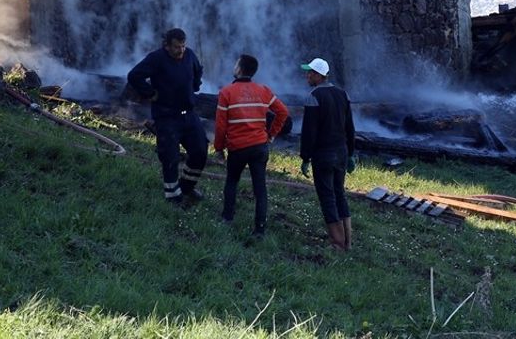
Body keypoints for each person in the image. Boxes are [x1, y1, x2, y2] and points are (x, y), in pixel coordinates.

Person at [128, 28, 208, 204]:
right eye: (177, 47)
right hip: (167, 116)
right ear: (167, 46)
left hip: (189, 114)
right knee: (170, 157)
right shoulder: (156, 59)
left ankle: (186, 188)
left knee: (200, 151)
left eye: (183, 46)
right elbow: (134, 76)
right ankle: (173, 198)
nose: (181, 51)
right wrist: (149, 93)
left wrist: (194, 86)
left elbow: (198, 70)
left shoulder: (189, 55)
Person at [214, 53, 289, 237]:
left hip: (237, 148)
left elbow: (221, 125)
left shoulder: (226, 93)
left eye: (235, 64)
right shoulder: (263, 90)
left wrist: (219, 147)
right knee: (260, 187)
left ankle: (227, 218)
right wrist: (271, 135)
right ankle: (259, 229)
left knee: (232, 181)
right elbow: (283, 112)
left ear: (239, 69)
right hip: (259, 146)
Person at [298, 57, 356, 251]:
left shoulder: (314, 96)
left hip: (323, 155)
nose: (307, 75)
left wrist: (305, 157)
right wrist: (351, 153)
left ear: (319, 76)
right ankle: (348, 241)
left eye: (310, 73)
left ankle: (337, 243)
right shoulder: (343, 94)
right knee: (340, 193)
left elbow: (309, 132)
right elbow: (350, 127)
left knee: (327, 196)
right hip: (341, 152)